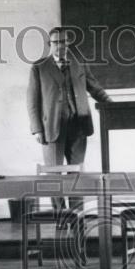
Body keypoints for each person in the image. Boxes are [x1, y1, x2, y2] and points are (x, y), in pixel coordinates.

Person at [27, 27, 111, 213]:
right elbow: (32, 101)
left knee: (76, 173)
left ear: (68, 43)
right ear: (50, 45)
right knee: (53, 175)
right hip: (51, 129)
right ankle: (60, 215)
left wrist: (110, 103)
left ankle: (76, 214)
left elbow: (94, 87)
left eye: (64, 41)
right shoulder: (39, 67)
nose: (61, 46)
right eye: (56, 42)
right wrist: (37, 129)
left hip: (79, 126)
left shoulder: (79, 63)